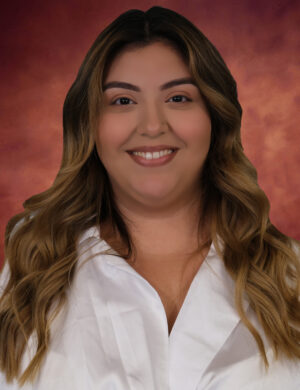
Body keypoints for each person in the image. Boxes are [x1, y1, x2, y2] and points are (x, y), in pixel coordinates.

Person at [0, 6, 299, 390]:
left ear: (215, 117)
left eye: (178, 98)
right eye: (123, 101)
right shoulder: (29, 280)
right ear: (89, 124)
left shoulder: (292, 279)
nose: (153, 125)